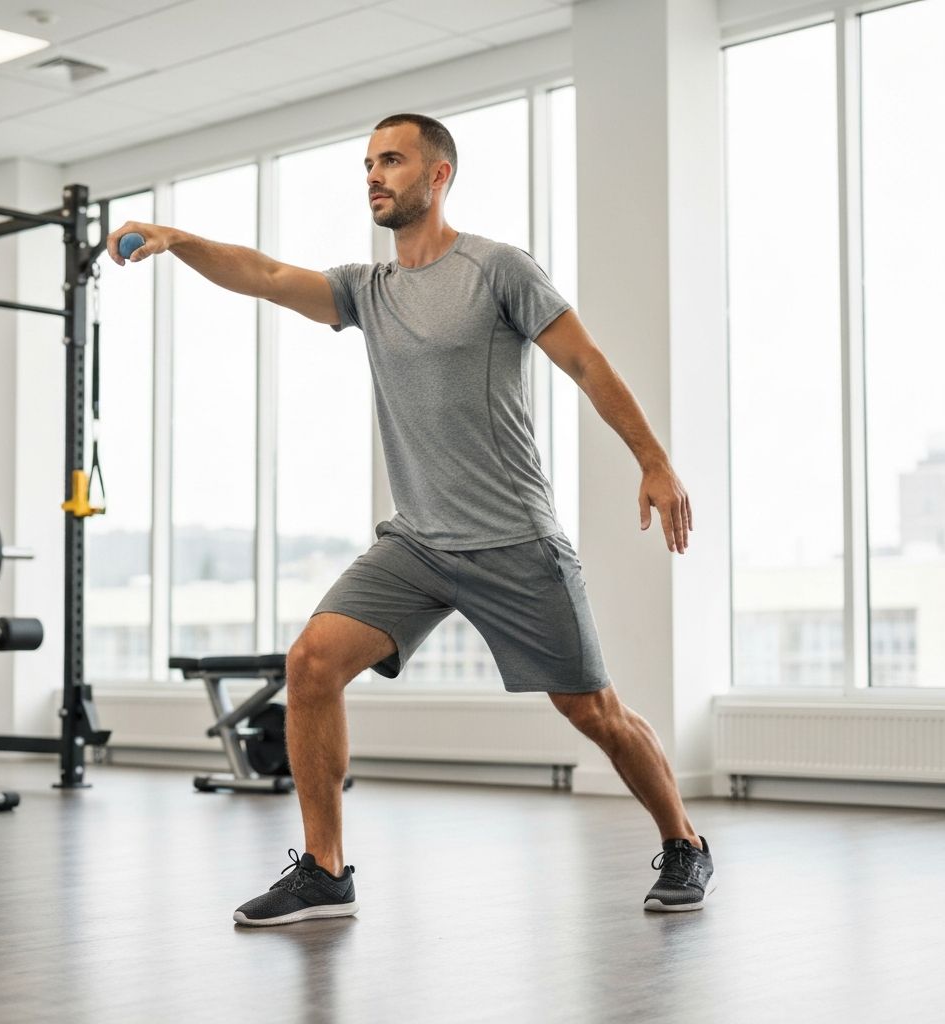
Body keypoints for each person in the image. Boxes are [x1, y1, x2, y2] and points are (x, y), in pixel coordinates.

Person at [107, 112, 715, 926]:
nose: (374, 176)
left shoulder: (498, 269)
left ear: (438, 176)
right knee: (312, 664)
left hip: (513, 538)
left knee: (592, 710)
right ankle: (325, 871)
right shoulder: (368, 290)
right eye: (367, 164)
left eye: (391, 161)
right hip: (418, 542)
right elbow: (261, 273)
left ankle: (684, 841)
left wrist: (653, 459)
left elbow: (584, 360)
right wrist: (177, 237)